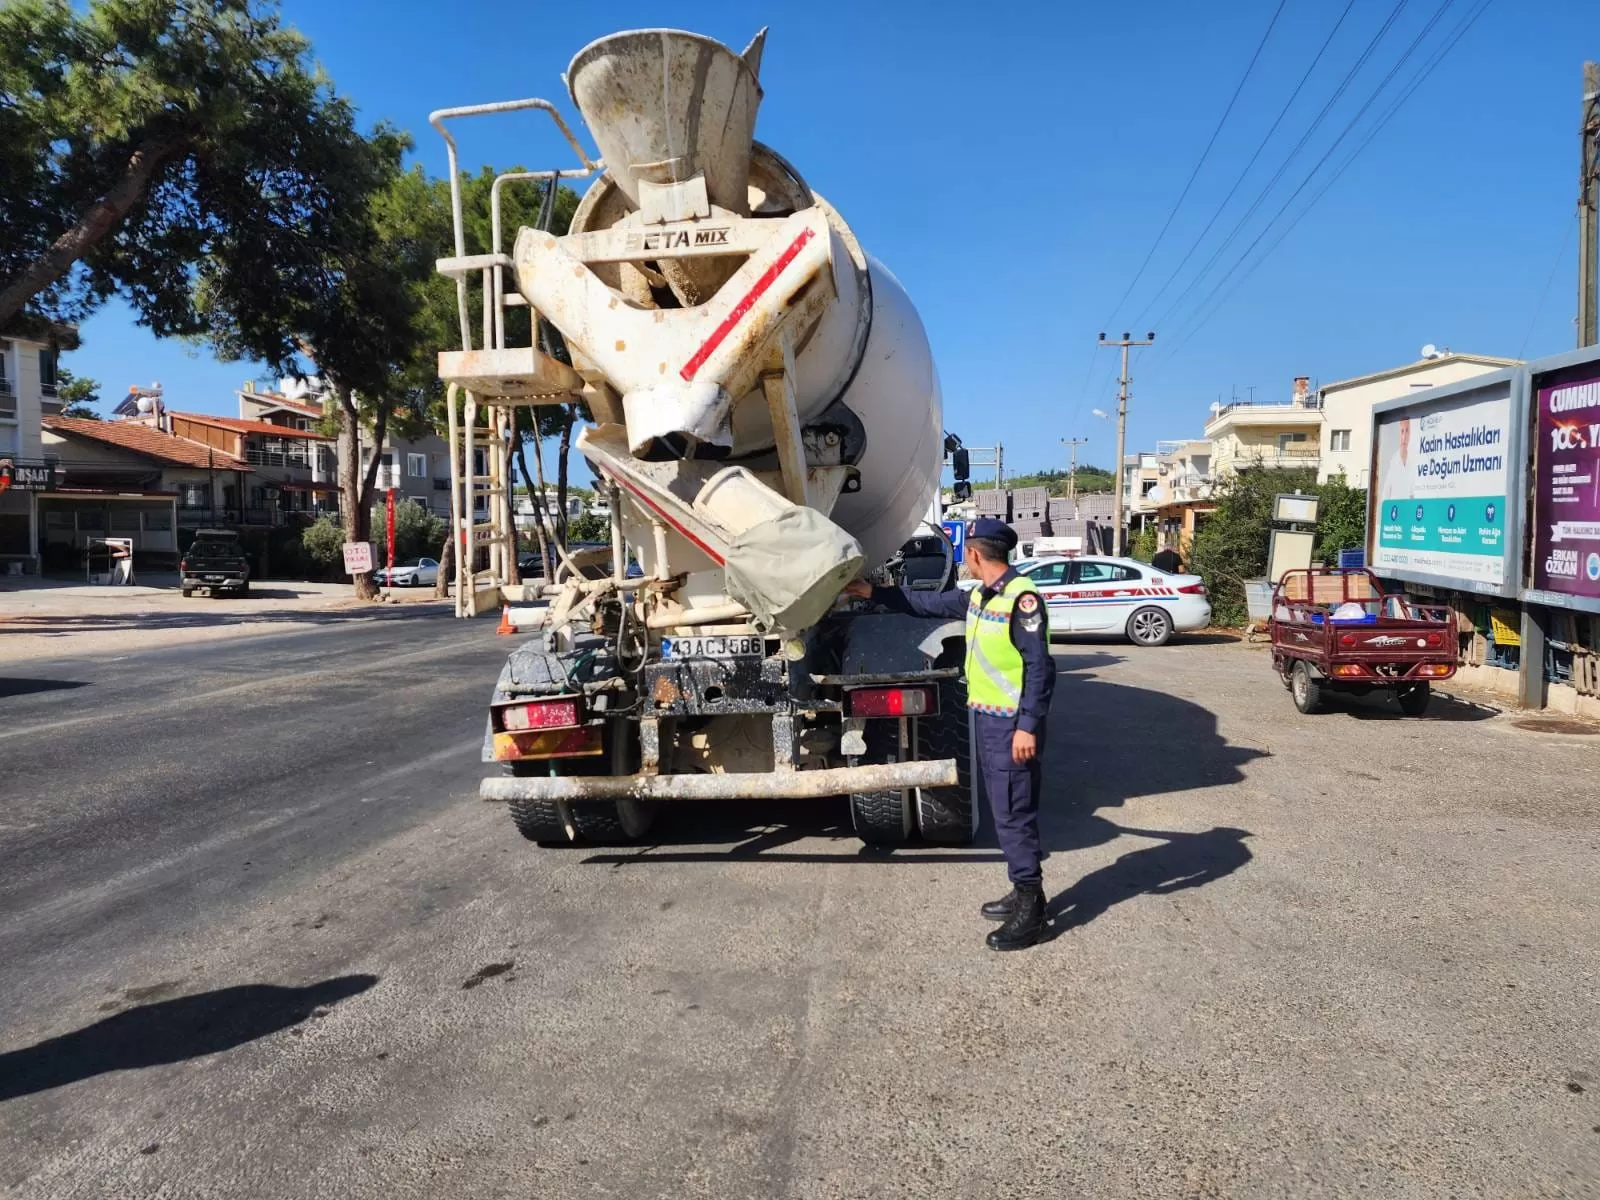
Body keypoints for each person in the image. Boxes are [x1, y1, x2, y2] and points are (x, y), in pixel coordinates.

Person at [843, 517, 1054, 950]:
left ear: (975, 554)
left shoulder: (1022, 600)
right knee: (1005, 809)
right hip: (992, 719)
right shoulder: (980, 596)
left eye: (967, 556)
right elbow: (927, 604)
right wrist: (873, 593)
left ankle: (1032, 911)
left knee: (1014, 811)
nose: (967, 563)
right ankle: (1022, 889)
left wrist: (1028, 727)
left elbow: (1039, 669)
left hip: (1013, 725)